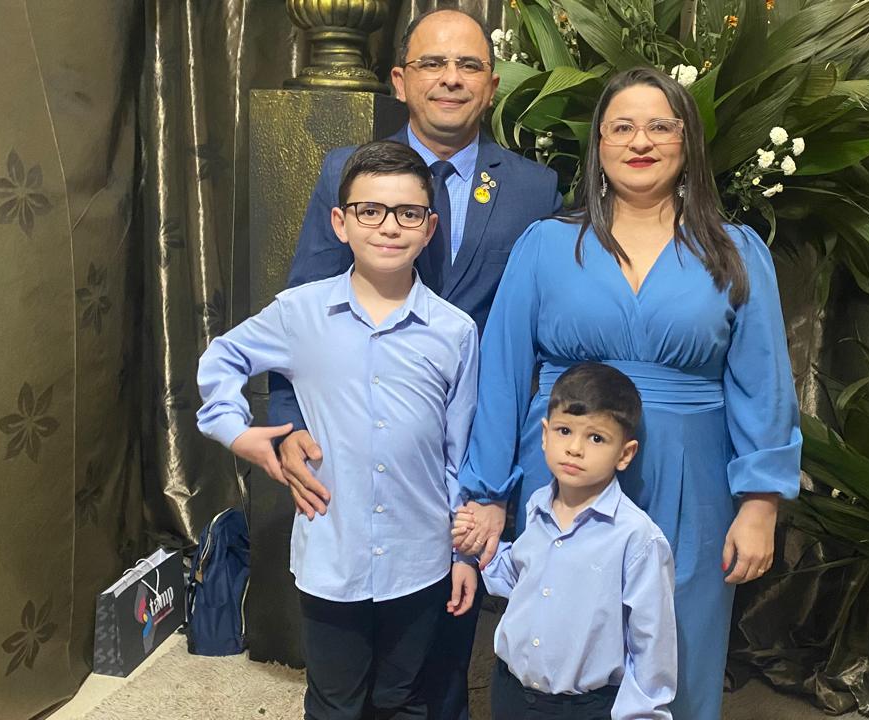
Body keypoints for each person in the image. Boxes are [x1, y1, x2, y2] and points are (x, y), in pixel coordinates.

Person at [452, 67, 803, 720]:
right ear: (600, 144)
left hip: (690, 483)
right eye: (622, 127)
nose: (641, 141)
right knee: (559, 653)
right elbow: (501, 376)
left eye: (660, 126)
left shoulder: (735, 251)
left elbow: (765, 385)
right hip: (564, 473)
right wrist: (488, 494)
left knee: (678, 647)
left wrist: (761, 503)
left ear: (687, 141)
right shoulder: (546, 246)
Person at [268, 8, 561, 719]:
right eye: (432, 63)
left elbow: (537, 340)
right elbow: (301, 312)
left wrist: (502, 480)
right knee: (345, 666)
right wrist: (285, 424)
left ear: (491, 85)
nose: (450, 79)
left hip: (472, 449)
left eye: (468, 66)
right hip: (358, 450)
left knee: (442, 660)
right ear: (400, 81)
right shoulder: (348, 173)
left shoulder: (535, 189)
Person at [197, 140, 480, 719]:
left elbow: (460, 453)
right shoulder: (299, 313)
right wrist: (241, 432)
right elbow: (222, 358)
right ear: (340, 222)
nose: (389, 226)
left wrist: (464, 555)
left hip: (420, 557)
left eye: (408, 213)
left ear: (429, 228)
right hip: (333, 554)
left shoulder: (454, 332)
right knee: (334, 700)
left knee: (404, 697)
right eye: (369, 210)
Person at [456, 362, 677, 720]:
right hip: (511, 692)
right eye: (564, 430)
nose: (574, 448)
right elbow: (522, 577)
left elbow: (651, 640)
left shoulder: (637, 538)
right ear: (544, 435)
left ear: (625, 454)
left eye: (596, 438)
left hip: (582, 707)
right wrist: (479, 547)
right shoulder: (537, 506)